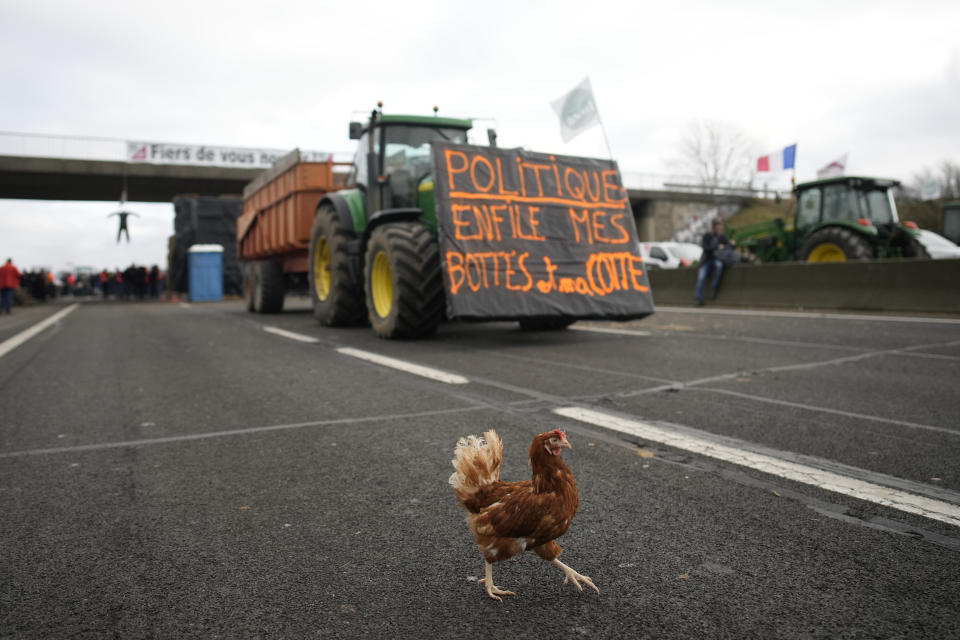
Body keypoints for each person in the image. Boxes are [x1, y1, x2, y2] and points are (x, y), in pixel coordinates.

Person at [695, 218, 735, 306]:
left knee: (719, 266)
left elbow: (728, 247)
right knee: (701, 277)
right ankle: (698, 298)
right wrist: (716, 247)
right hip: (706, 260)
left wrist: (731, 244)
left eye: (720, 227)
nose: (719, 229)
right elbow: (706, 248)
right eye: (717, 227)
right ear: (713, 227)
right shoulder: (707, 236)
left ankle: (714, 287)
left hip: (717, 259)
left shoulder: (722, 237)